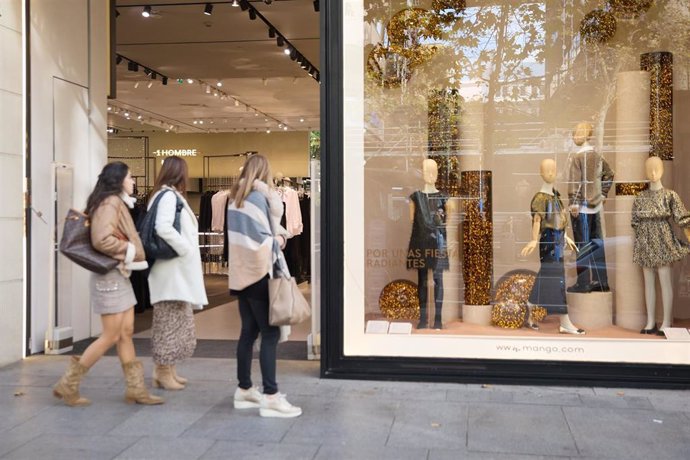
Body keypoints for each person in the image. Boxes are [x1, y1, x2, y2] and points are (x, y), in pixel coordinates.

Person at [53, 162, 163, 406]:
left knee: (125, 332)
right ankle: (68, 384)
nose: (133, 181)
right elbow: (101, 239)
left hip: (118, 275)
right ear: (119, 180)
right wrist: (130, 249)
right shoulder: (111, 202)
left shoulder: (112, 201)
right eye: (130, 177)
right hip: (110, 276)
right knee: (112, 335)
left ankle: (136, 389)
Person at [226, 154, 302, 418]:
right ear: (264, 173)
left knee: (248, 332)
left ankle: (244, 389)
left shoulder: (235, 199)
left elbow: (242, 237)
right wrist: (279, 240)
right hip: (259, 273)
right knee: (269, 335)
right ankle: (271, 396)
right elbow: (262, 237)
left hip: (241, 274)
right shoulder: (258, 198)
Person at [147, 156, 208, 389]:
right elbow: (162, 227)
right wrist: (185, 248)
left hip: (173, 271)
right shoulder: (168, 197)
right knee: (168, 322)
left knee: (174, 320)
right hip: (171, 271)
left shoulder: (166, 195)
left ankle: (168, 369)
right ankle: (163, 370)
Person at [521, 159, 584, 335]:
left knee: (547, 276)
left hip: (557, 239)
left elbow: (559, 220)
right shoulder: (540, 198)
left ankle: (531, 304)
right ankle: (565, 321)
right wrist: (534, 239)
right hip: (548, 240)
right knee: (557, 280)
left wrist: (565, 236)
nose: (551, 173)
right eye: (547, 170)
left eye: (554, 170)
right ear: (541, 172)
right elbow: (537, 220)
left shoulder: (556, 196)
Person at [632, 157, 690, 335]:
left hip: (663, 238)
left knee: (665, 281)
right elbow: (634, 221)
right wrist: (640, 242)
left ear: (663, 170)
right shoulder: (640, 197)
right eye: (649, 168)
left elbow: (683, 218)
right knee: (648, 281)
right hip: (644, 240)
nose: (653, 172)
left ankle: (665, 322)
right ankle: (650, 322)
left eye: (657, 168)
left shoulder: (670, 195)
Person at [567, 122, 614, 293]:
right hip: (595, 207)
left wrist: (573, 202)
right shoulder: (597, 157)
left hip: (581, 209)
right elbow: (609, 174)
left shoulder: (578, 157)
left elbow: (574, 183)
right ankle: (602, 282)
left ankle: (584, 282)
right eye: (575, 132)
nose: (575, 136)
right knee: (597, 246)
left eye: (578, 132)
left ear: (587, 134)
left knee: (582, 246)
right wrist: (602, 194)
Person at [406, 159, 449, 329]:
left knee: (438, 279)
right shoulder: (415, 197)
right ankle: (423, 319)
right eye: (427, 170)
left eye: (433, 170)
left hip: (438, 241)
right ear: (422, 173)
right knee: (423, 279)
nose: (430, 174)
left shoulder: (445, 198)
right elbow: (412, 219)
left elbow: (447, 221)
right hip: (421, 241)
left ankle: (437, 318)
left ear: (437, 173)